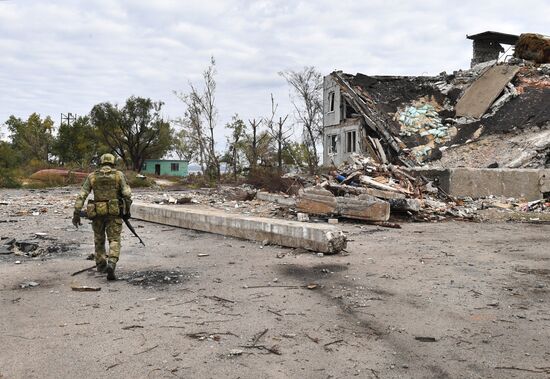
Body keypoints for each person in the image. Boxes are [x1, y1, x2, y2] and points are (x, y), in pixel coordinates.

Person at [72, 153, 132, 280]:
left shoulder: (92, 176)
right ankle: (112, 263)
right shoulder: (118, 175)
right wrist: (127, 210)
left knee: (99, 240)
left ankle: (101, 266)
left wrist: (76, 213)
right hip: (114, 214)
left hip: (97, 214)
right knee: (114, 240)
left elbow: (82, 195)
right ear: (113, 162)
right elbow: (127, 194)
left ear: (101, 162)